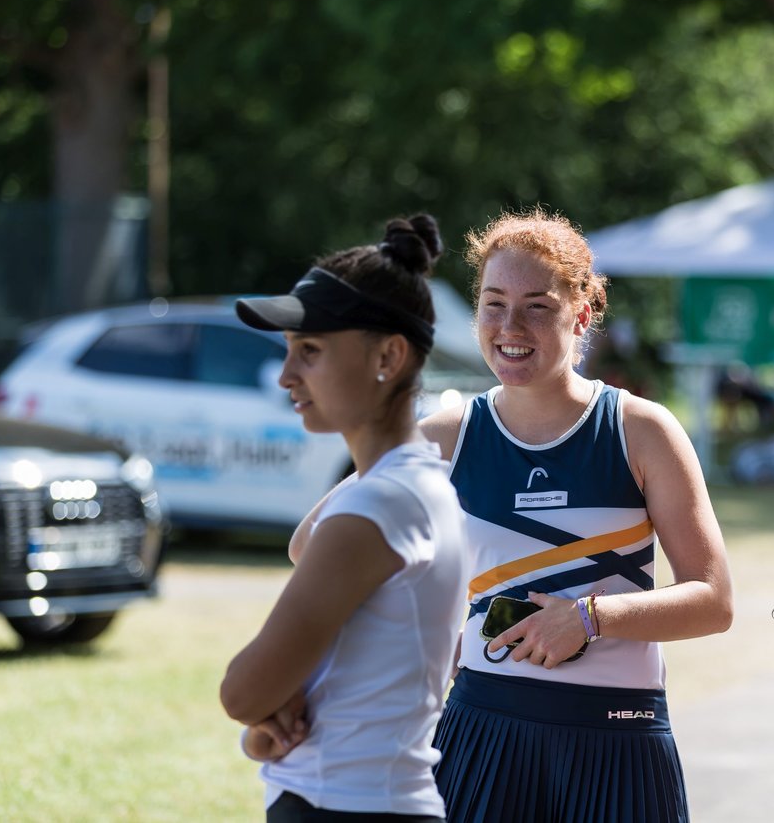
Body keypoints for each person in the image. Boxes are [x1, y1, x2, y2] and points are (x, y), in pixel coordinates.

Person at [420, 208, 734, 823]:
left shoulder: (640, 429)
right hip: (483, 725)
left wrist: (589, 618)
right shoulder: (448, 435)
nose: (511, 325)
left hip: (617, 734)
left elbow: (714, 600)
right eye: (493, 303)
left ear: (581, 315)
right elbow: (316, 542)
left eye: (538, 305)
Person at [220, 215, 469, 823]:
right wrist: (264, 725)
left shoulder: (377, 506)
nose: (286, 376)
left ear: (388, 354)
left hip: (342, 807)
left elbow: (244, 690)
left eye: (310, 352)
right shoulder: (423, 486)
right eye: (288, 352)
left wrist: (260, 711)